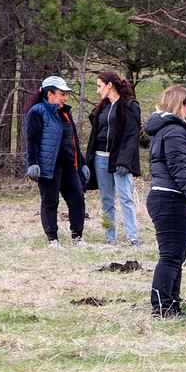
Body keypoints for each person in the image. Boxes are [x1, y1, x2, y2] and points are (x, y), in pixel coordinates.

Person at [143, 86, 186, 318]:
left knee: (176, 255)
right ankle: (162, 308)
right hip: (170, 198)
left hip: (172, 197)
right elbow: (178, 167)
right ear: (180, 104)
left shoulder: (173, 130)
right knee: (170, 256)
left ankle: (172, 304)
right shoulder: (174, 131)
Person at [25, 76, 89, 248]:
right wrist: (32, 163)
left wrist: (82, 164)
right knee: (50, 201)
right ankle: (52, 239)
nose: (65, 98)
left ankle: (77, 237)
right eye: (62, 94)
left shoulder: (66, 113)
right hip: (48, 166)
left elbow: (73, 139)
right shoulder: (37, 112)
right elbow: (32, 140)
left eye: (65, 94)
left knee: (77, 199)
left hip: (69, 164)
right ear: (50, 94)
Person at [85, 71, 142, 247]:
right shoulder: (102, 108)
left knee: (126, 198)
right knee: (106, 199)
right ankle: (111, 236)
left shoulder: (130, 106)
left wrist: (125, 161)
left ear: (109, 85)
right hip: (100, 159)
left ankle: (132, 237)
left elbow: (132, 136)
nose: (97, 91)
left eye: (99, 86)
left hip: (119, 160)